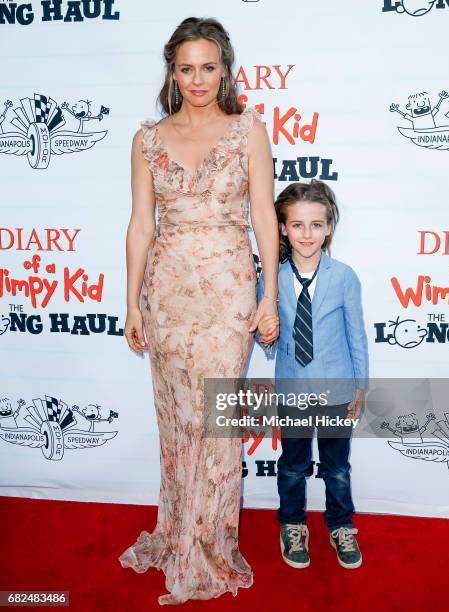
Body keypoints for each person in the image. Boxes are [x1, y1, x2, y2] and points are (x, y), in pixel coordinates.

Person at [118, 17, 279, 606]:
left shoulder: (248, 132)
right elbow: (141, 225)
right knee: (177, 421)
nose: (197, 79)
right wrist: (131, 299)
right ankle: (180, 531)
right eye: (186, 68)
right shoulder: (147, 139)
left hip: (229, 293)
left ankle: (207, 546)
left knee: (214, 421)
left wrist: (269, 297)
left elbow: (264, 216)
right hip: (168, 293)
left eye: (208, 67)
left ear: (225, 68)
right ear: (173, 71)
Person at [256, 180, 369, 570]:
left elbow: (357, 336)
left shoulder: (344, 277)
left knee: (337, 467)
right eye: (298, 225)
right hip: (292, 390)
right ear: (283, 228)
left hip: (337, 389)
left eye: (316, 225)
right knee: (292, 464)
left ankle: (341, 525)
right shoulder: (271, 280)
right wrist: (265, 335)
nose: (308, 234)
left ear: (329, 228)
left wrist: (360, 387)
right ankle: (291, 524)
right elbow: (267, 337)